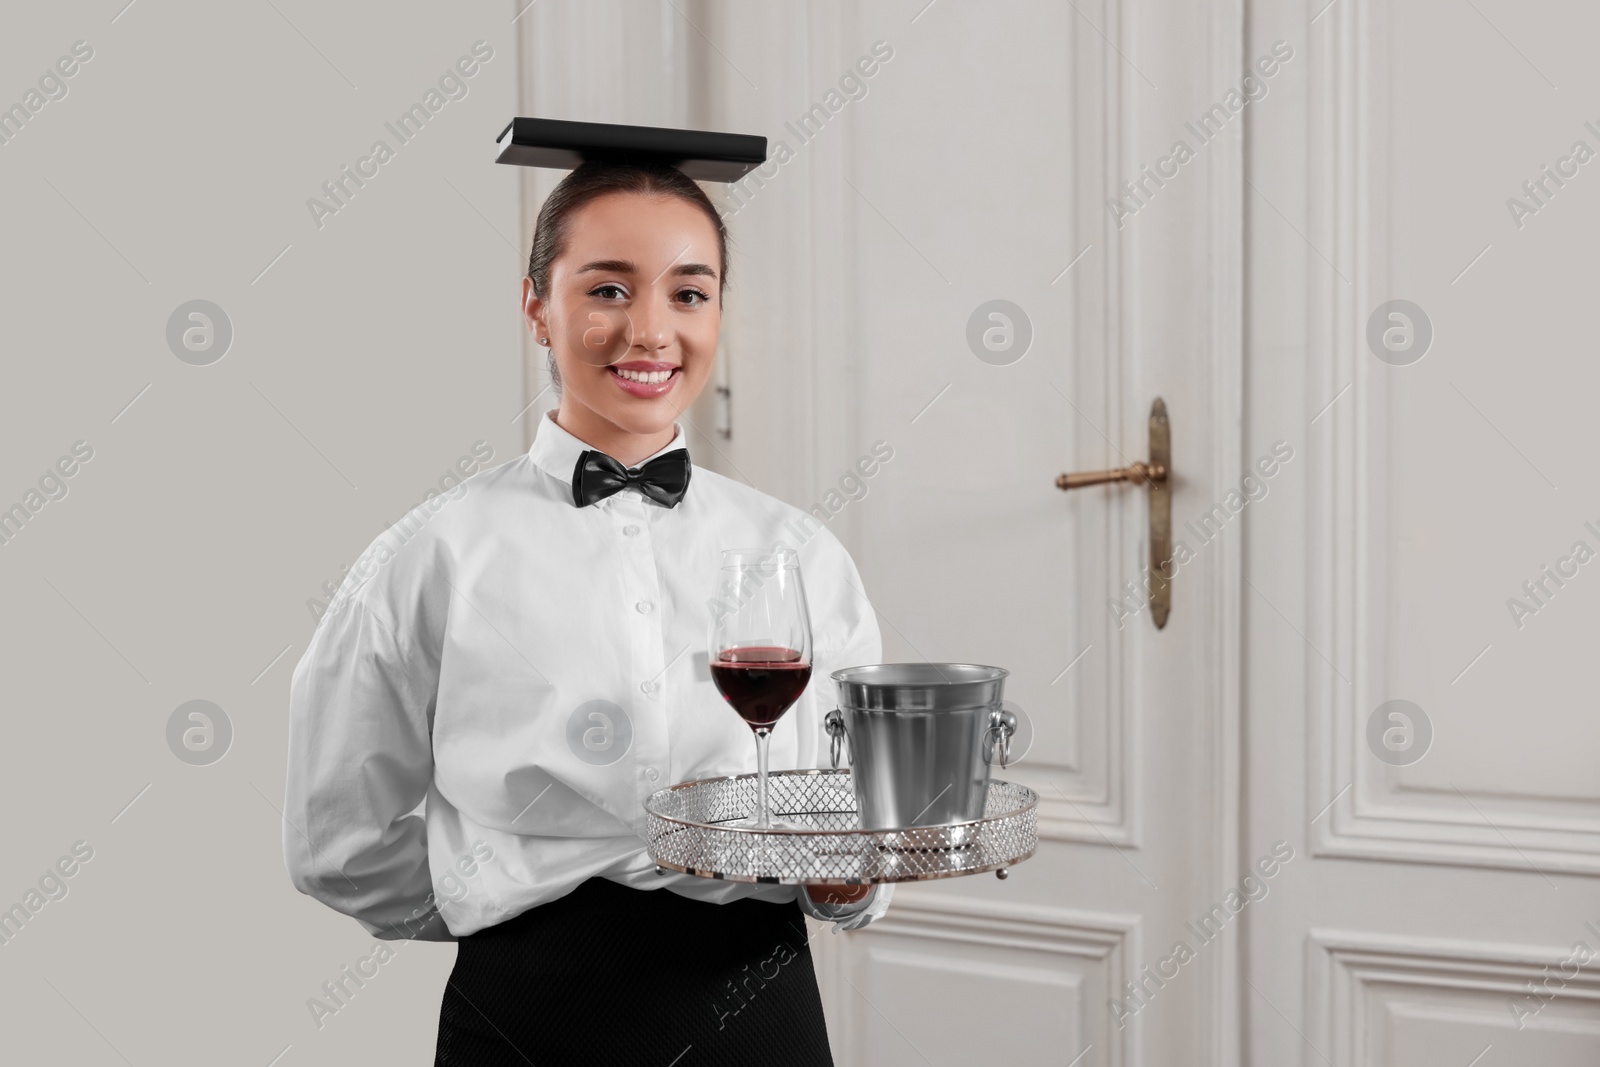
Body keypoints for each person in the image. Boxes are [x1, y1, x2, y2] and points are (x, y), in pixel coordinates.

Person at [283, 123, 891, 1066]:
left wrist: (850, 882)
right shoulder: (432, 555)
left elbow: (855, 816)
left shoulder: (799, 554)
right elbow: (337, 840)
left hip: (757, 1012)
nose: (651, 330)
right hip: (529, 1016)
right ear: (536, 306)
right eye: (608, 288)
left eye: (689, 293)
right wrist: (501, 903)